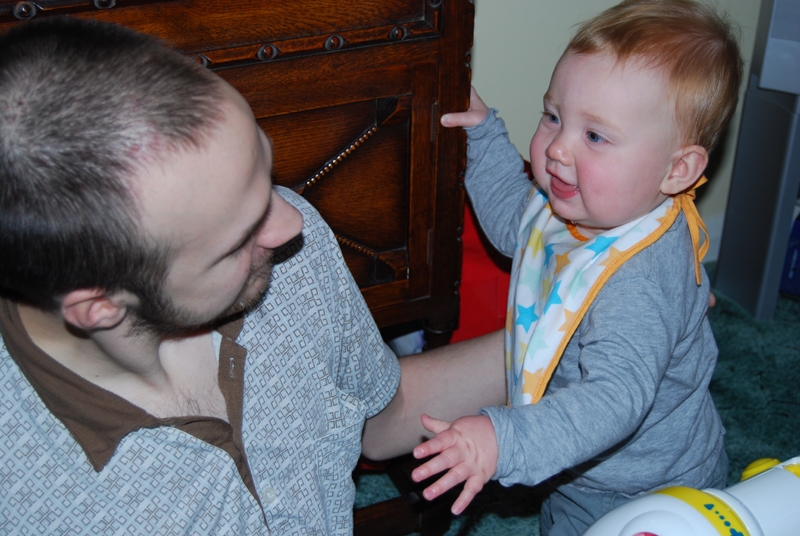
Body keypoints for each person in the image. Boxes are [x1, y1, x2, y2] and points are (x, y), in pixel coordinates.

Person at [0, 16, 406, 534]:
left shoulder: (286, 254)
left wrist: (516, 344)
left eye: (268, 174)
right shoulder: (21, 492)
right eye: (237, 240)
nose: (293, 223)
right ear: (100, 307)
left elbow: (378, 417)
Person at [406, 1, 744, 534]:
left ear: (678, 169)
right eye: (553, 116)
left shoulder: (637, 279)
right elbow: (515, 221)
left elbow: (612, 401)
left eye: (595, 136)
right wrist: (481, 133)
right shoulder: (588, 205)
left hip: (644, 486)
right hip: (579, 470)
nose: (558, 149)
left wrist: (505, 439)